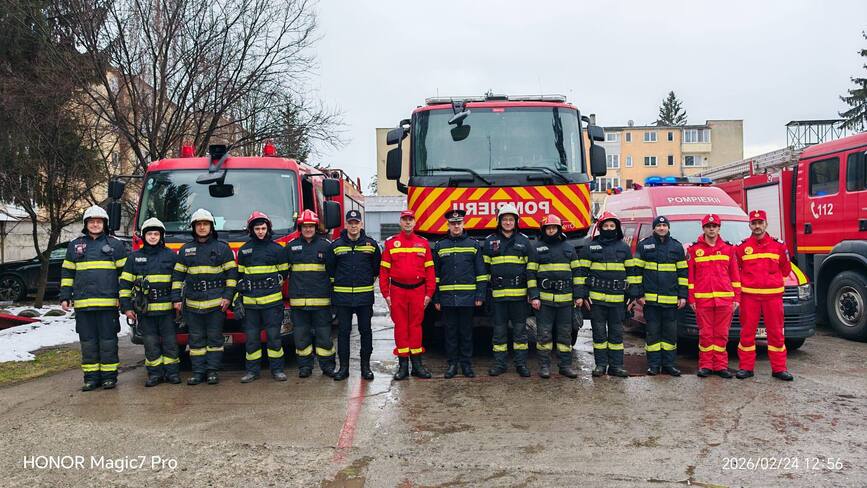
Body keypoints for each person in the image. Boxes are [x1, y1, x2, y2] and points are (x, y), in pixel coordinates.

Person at [60, 205, 129, 391]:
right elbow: (67, 273)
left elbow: (125, 276)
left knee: (108, 342)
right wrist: (65, 296)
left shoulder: (115, 245)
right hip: (83, 305)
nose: (95, 224)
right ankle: (91, 378)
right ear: (86, 224)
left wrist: (123, 299)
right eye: (92, 222)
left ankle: (109, 378)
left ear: (105, 224)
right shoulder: (75, 245)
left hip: (108, 305)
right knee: (88, 343)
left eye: (99, 222)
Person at [171, 208, 238, 385]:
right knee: (195, 340)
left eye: (205, 224)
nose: (202, 227)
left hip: (216, 305)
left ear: (211, 227)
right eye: (199, 224)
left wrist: (228, 297)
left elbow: (232, 276)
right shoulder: (185, 250)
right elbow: (177, 277)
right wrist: (176, 299)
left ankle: (212, 372)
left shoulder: (222, 249)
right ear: (193, 227)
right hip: (193, 305)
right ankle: (198, 372)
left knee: (215, 340)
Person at [575, 212, 641, 378]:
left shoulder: (624, 248)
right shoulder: (590, 247)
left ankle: (616, 366)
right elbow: (582, 273)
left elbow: (631, 273)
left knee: (616, 334)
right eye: (606, 226)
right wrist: (583, 294)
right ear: (600, 228)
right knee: (599, 334)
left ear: (617, 228)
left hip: (618, 300)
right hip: (596, 300)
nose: (609, 228)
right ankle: (600, 365)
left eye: (612, 226)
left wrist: (632, 296)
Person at [119, 217, 181, 387]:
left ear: (161, 236)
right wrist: (126, 307)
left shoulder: (171, 256)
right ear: (144, 236)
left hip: (167, 310)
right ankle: (155, 375)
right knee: (150, 344)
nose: (153, 237)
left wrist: (177, 302)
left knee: (170, 344)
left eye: (156, 234)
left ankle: (172, 373)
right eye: (149, 234)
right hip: (145, 311)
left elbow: (178, 281)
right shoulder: (134, 258)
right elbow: (125, 284)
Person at [734, 210, 794, 381]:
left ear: (766, 224)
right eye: (754, 223)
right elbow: (736, 270)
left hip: (772, 297)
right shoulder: (742, 247)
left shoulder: (779, 245)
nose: (757, 226)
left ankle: (779, 369)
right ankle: (746, 368)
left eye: (760, 223)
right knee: (747, 333)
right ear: (749, 225)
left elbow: (786, 269)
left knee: (776, 333)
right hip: (749, 297)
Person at [379, 209, 436, 380]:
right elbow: (383, 272)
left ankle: (417, 366)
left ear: (415, 222)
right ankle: (403, 366)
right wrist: (386, 294)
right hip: (397, 292)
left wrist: (429, 293)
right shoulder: (391, 243)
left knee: (416, 328)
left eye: (410, 219)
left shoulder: (423, 243)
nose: (408, 222)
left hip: (418, 291)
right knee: (401, 327)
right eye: (405, 219)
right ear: (400, 222)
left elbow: (430, 271)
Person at [327, 209, 381, 381]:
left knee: (366, 332)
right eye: (350, 223)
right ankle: (343, 369)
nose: (353, 226)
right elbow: (330, 269)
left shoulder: (371, 245)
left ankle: (366, 368)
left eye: (356, 222)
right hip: (342, 299)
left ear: (361, 224)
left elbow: (376, 269)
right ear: (346, 224)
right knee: (343, 333)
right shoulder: (335, 246)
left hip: (364, 299)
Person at [483, 204, 536, 377]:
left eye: (511, 219)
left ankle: (521, 364)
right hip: (497, 297)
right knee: (499, 333)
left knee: (520, 333)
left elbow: (531, 269)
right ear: (499, 221)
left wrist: (532, 293)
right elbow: (484, 269)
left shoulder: (524, 241)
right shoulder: (490, 241)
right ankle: (500, 364)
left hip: (519, 297)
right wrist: (484, 293)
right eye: (504, 219)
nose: (507, 222)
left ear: (516, 221)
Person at [432, 209, 486, 379]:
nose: (456, 226)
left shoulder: (473, 245)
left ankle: (466, 364)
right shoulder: (441, 246)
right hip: (447, 300)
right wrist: (437, 298)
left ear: (463, 224)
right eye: (453, 223)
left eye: (459, 223)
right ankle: (452, 364)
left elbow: (481, 274)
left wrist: (480, 296)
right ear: (448, 225)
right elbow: (436, 276)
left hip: (468, 299)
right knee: (450, 333)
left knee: (466, 333)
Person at [237, 211, 289, 383]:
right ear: (251, 230)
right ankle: (252, 371)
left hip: (272, 303)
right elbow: (240, 277)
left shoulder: (277, 249)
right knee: (251, 341)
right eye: (257, 228)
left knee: (274, 338)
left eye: (263, 228)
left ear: (268, 229)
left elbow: (284, 273)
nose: (260, 231)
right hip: (251, 304)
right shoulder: (244, 250)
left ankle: (277, 370)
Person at [686, 214, 741, 379]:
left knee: (722, 334)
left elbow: (735, 276)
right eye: (708, 226)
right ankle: (706, 365)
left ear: (719, 228)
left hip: (725, 300)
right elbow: (691, 277)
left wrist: (737, 298)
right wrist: (692, 298)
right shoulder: (694, 250)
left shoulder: (728, 249)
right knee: (706, 334)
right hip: (703, 300)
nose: (711, 229)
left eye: (714, 226)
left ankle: (721, 366)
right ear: (703, 228)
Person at [527, 214, 580, 379]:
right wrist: (534, 296)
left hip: (565, 301)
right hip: (545, 301)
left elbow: (577, 273)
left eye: (554, 228)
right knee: (544, 335)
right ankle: (544, 366)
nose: (551, 230)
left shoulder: (569, 248)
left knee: (565, 335)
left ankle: (565, 366)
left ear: (559, 229)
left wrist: (578, 296)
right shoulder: (535, 248)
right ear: (543, 230)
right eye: (548, 228)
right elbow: (530, 274)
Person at [634, 215, 688, 376]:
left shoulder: (677, 247)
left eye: (664, 226)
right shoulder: (644, 245)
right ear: (654, 228)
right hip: (650, 301)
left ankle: (669, 364)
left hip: (671, 301)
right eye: (659, 226)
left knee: (670, 335)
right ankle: (653, 365)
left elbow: (683, 273)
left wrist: (682, 295)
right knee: (652, 334)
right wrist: (639, 294)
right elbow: (637, 272)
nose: (662, 228)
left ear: (668, 228)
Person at [286, 209, 335, 378]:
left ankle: (327, 366)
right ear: (300, 227)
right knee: (301, 338)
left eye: (311, 226)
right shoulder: (291, 247)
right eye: (305, 226)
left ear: (316, 227)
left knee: (324, 338)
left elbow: (333, 273)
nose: (308, 229)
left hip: (321, 303)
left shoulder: (326, 246)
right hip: (299, 303)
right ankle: (305, 367)